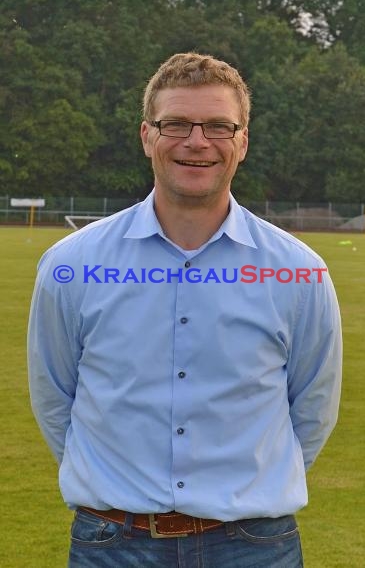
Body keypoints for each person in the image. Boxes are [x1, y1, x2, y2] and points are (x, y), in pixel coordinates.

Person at [28, 52, 342, 568]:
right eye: (175, 124)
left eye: (219, 126)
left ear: (242, 141)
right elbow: (54, 395)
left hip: (255, 547)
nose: (197, 142)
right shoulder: (71, 265)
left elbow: (313, 407)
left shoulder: (299, 272)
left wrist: (244, 497)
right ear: (147, 135)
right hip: (112, 545)